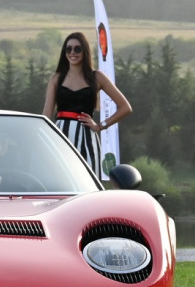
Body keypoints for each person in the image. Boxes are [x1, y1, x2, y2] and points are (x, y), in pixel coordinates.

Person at [42, 32, 132, 180]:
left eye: (77, 49)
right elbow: (46, 115)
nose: (72, 53)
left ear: (85, 51)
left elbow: (125, 107)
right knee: (60, 181)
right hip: (61, 136)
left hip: (87, 137)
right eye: (68, 49)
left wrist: (100, 126)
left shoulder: (97, 77)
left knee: (87, 182)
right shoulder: (56, 78)